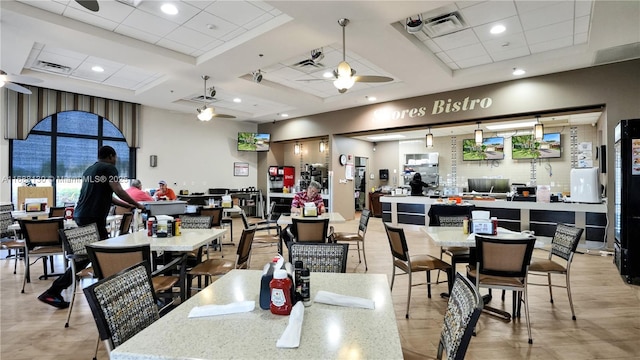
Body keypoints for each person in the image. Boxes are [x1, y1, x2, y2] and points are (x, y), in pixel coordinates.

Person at [38, 146, 145, 309]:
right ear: (111, 156)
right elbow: (118, 190)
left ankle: (58, 290)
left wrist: (128, 205)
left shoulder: (90, 170)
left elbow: (109, 197)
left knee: (91, 253)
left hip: (81, 214)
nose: (116, 160)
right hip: (93, 216)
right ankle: (58, 291)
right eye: (115, 157)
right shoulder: (109, 168)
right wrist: (137, 204)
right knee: (102, 253)